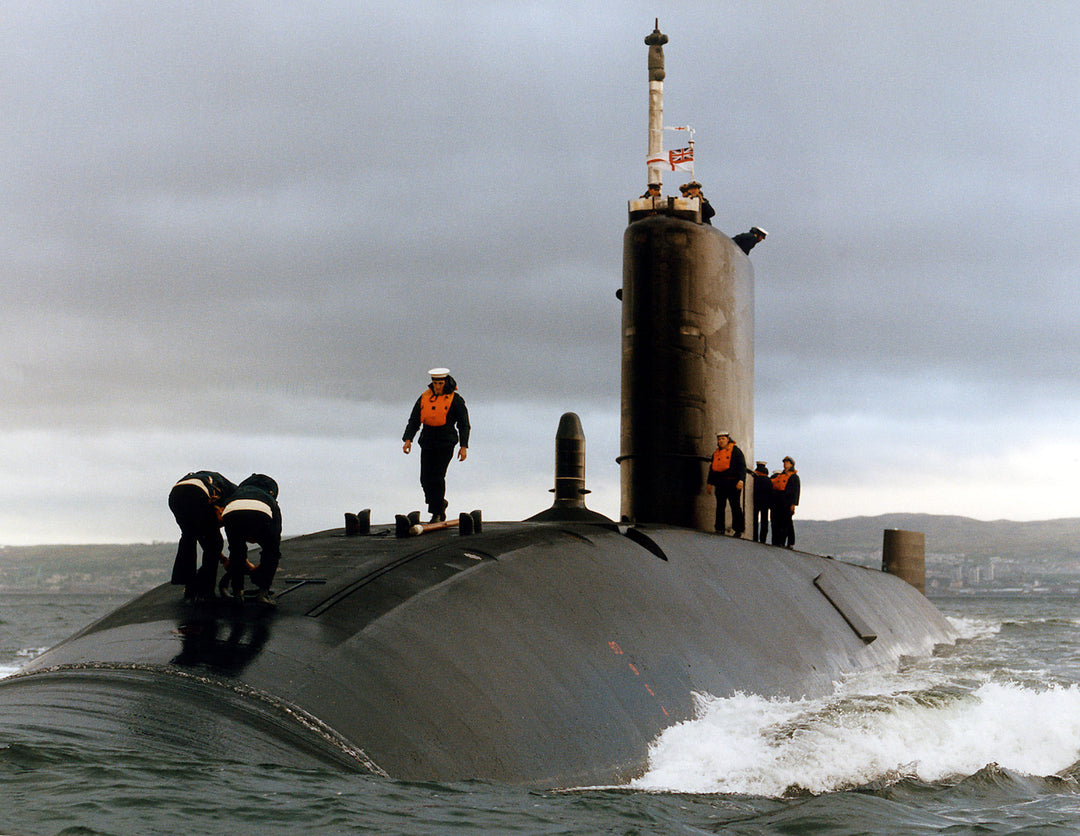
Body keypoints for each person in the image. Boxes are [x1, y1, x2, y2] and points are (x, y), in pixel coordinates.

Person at [403, 368, 470, 522]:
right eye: (435, 383)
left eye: (440, 383)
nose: (437, 386)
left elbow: (464, 424)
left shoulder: (456, 400)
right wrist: (408, 439)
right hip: (428, 440)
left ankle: (437, 512)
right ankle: (439, 503)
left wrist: (464, 446)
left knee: (437, 476)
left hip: (446, 441)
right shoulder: (424, 398)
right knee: (425, 478)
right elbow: (414, 420)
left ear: (446, 382)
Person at [168, 471, 237, 601]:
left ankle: (189, 585)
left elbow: (203, 535)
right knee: (215, 542)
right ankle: (206, 591)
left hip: (175, 496)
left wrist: (223, 560)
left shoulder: (216, 486)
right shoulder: (233, 496)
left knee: (189, 536)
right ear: (222, 508)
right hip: (196, 493)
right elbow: (216, 540)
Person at [221, 473, 282, 607]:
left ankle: (238, 593)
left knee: (237, 551)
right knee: (271, 551)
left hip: (231, 510)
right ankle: (263, 594)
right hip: (261, 511)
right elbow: (274, 543)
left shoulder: (237, 494)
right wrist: (263, 569)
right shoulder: (269, 498)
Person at [705, 432, 746, 536]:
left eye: (723, 439)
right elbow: (712, 469)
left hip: (733, 483)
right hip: (720, 483)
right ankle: (719, 528)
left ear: (728, 439)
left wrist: (741, 480)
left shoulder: (736, 451)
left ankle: (738, 529)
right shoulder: (716, 453)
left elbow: (742, 466)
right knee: (720, 506)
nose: (720, 441)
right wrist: (709, 483)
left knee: (735, 506)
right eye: (719, 439)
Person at [770, 456, 801, 549]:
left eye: (787, 462)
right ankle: (778, 541)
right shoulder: (780, 476)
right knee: (777, 522)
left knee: (787, 522)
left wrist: (793, 504)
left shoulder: (794, 477)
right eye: (784, 462)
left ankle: (790, 542)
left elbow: (796, 491)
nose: (785, 464)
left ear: (791, 464)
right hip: (778, 502)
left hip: (787, 502)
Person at [751, 461, 771, 543]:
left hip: (756, 502)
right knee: (764, 521)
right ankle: (763, 539)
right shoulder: (768, 481)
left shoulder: (755, 479)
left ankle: (754, 537)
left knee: (755, 521)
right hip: (765, 503)